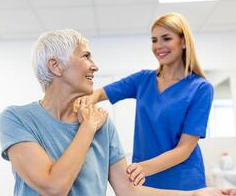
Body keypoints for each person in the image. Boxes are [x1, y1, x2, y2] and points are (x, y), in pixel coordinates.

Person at [0, 29, 236, 196]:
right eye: (86, 56)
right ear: (55, 66)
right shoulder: (17, 119)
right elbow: (54, 186)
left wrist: (196, 194)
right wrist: (87, 128)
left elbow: (128, 190)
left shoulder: (103, 124)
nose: (95, 66)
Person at [75, 12, 215, 190]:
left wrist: (142, 168)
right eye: (154, 40)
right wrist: (85, 102)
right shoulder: (143, 80)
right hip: (145, 180)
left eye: (166, 38)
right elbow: (100, 93)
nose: (158, 46)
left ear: (184, 42)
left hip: (182, 180)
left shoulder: (200, 88)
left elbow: (184, 149)